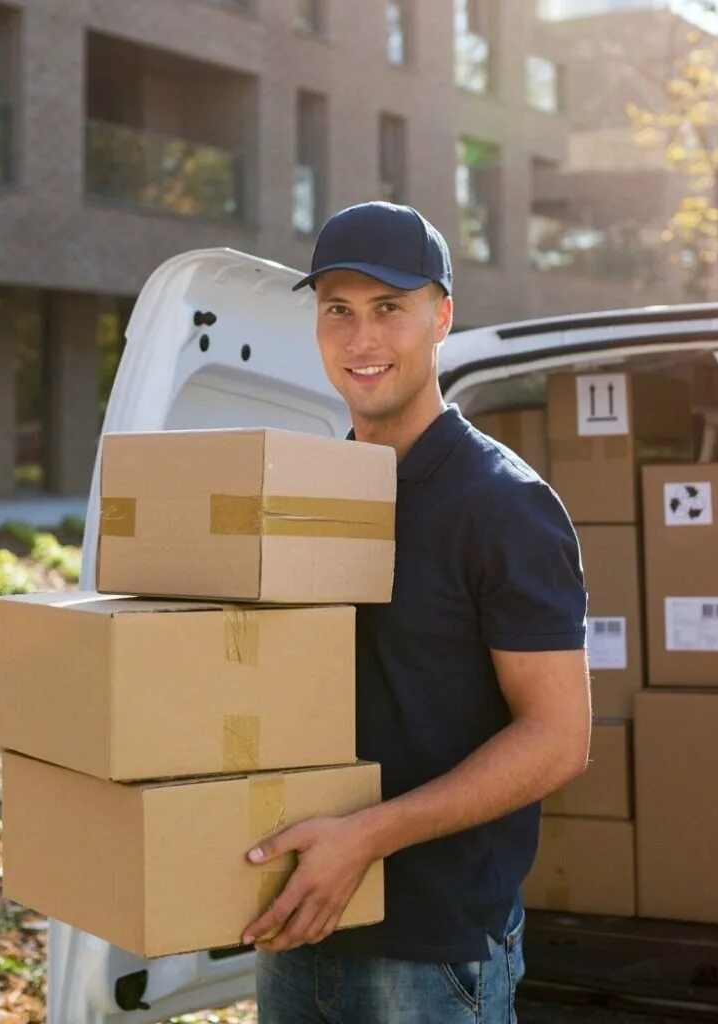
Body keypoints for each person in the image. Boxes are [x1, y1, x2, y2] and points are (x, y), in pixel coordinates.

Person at [242, 201, 594, 1023]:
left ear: (441, 317)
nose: (362, 339)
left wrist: (366, 836)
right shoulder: (309, 497)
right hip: (301, 923)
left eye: (389, 309)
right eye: (339, 311)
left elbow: (558, 739)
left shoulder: (505, 507)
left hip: (433, 955)